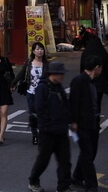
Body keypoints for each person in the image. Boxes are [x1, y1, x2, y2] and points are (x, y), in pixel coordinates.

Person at [27, 61, 72, 192]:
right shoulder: (43, 87)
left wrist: (70, 120)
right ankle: (33, 181)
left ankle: (63, 187)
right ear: (53, 74)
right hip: (48, 131)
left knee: (65, 160)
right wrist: (45, 125)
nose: (63, 76)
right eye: (61, 74)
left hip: (61, 130)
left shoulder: (58, 87)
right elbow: (39, 108)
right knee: (43, 159)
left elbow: (65, 105)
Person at [70, 55, 103, 192]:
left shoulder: (92, 81)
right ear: (96, 68)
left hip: (92, 122)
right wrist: (73, 122)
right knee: (87, 154)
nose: (101, 70)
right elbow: (73, 102)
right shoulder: (79, 81)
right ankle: (92, 185)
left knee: (90, 152)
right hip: (81, 124)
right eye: (101, 67)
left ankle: (77, 176)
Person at [12, 41, 48, 145]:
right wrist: (13, 84)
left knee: (42, 114)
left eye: (41, 49)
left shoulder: (46, 64)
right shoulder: (29, 63)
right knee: (33, 114)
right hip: (31, 92)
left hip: (42, 94)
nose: (40, 51)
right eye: (37, 49)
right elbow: (21, 74)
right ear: (33, 51)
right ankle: (35, 134)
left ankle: (41, 134)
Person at [79, 28, 108, 122]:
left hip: (87, 81)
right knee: (97, 103)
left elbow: (82, 68)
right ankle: (96, 119)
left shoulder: (86, 52)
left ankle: (89, 119)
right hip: (100, 82)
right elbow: (107, 68)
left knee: (88, 102)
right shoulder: (102, 52)